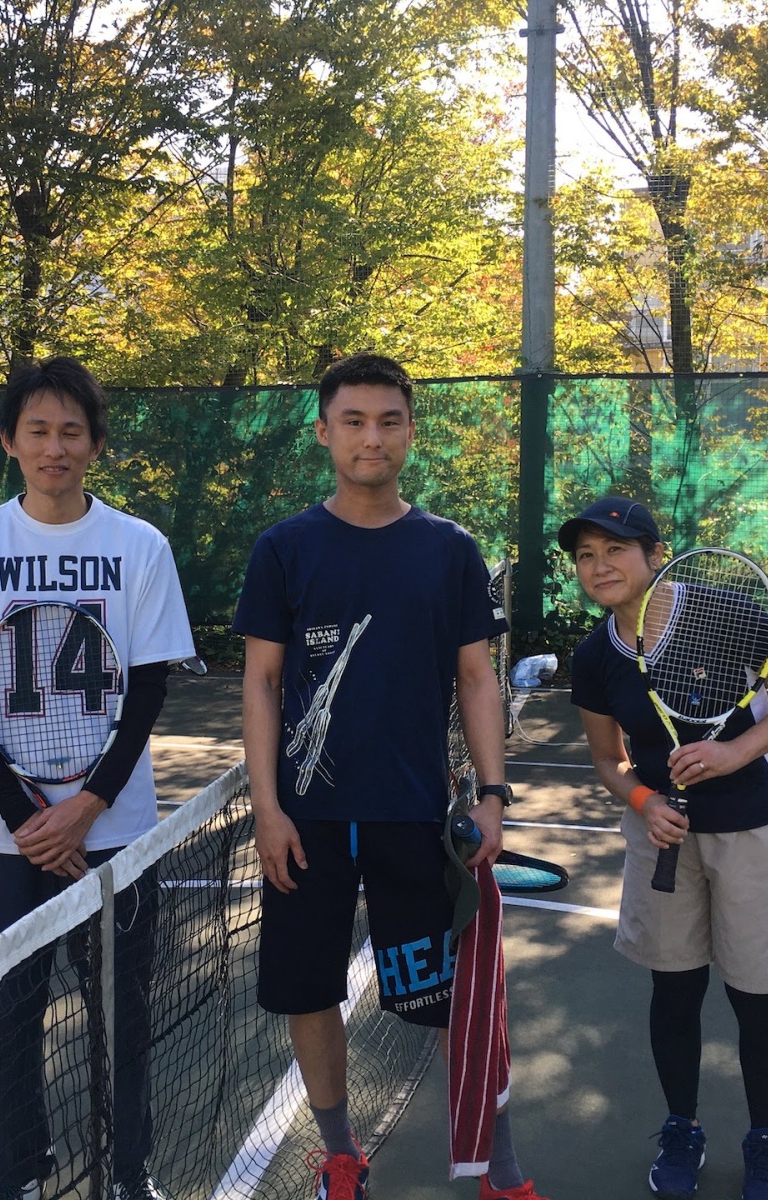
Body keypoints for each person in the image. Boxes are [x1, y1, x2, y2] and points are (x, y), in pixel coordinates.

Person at [233, 353, 542, 1200]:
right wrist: (268, 809)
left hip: (415, 818)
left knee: (453, 1002)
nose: (372, 437)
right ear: (323, 431)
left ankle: (500, 1167)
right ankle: (340, 1155)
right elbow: (260, 683)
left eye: (389, 421)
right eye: (354, 421)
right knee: (310, 991)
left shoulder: (449, 549)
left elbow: (476, 679)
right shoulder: (284, 548)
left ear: (410, 431)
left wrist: (492, 795)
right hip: (308, 825)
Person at [0, 356, 195, 1200]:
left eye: (72, 431)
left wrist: (87, 807)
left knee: (122, 1020)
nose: (54, 447)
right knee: (8, 1017)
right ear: (10, 441)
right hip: (6, 842)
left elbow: (148, 691)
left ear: (95, 444)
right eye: (38, 430)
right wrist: (30, 820)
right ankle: (15, 1177)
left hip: (117, 837)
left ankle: (127, 1171)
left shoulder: (140, 547)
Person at [559, 497, 768, 1200]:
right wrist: (644, 803)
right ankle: (682, 1128)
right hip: (663, 839)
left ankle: (766, 1144)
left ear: (655, 554)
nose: (599, 566)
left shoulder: (723, 612)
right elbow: (608, 760)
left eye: (615, 549)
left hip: (754, 828)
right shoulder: (594, 656)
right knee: (674, 992)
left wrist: (735, 751)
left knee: (756, 998)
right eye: (586, 555)